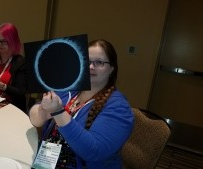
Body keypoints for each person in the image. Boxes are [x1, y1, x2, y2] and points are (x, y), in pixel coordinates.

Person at [29, 39, 134, 169]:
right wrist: (43, 113)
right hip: (46, 161)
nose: (91, 67)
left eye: (99, 62)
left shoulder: (119, 107)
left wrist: (58, 112)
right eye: (88, 61)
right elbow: (34, 117)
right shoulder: (69, 88)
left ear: (112, 68)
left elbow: (93, 151)